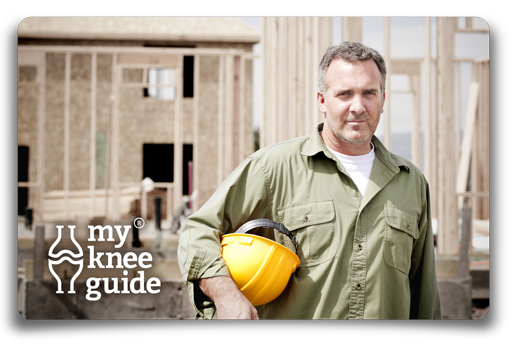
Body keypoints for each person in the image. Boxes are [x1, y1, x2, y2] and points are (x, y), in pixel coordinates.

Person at [177, 41, 441, 319]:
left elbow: (423, 291)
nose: (358, 106)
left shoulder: (411, 183)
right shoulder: (272, 168)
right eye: (344, 94)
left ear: (383, 100)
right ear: (323, 101)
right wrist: (227, 296)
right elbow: (198, 232)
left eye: (369, 93)